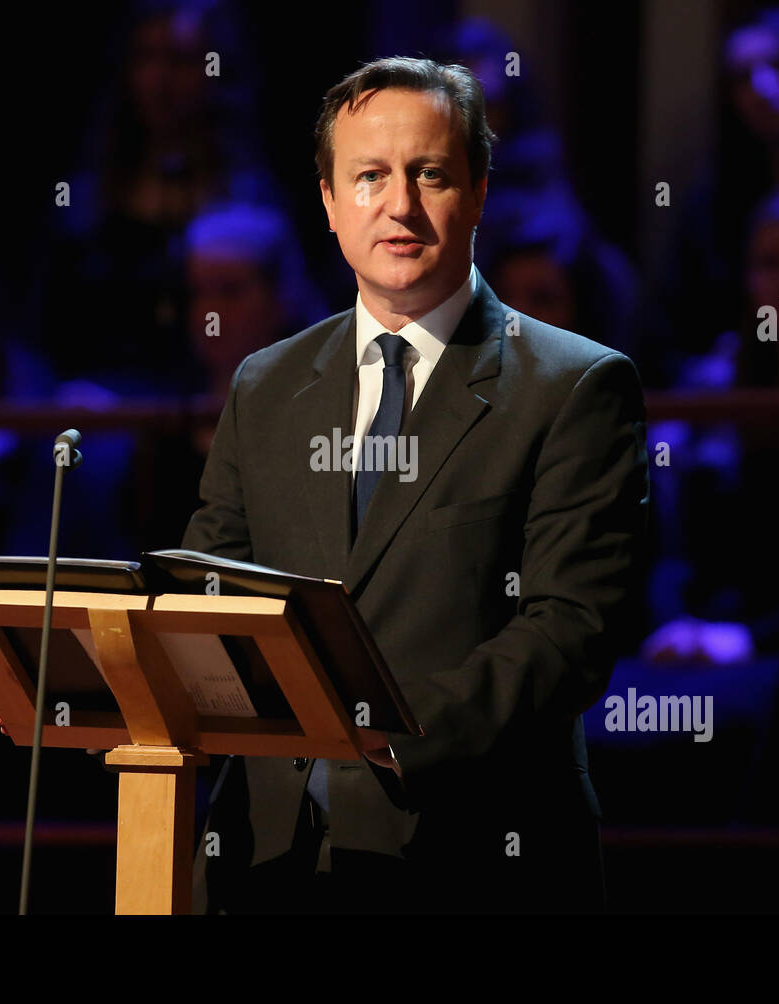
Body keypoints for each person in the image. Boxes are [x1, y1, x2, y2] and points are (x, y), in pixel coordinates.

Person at [179, 57, 649, 914]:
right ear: (327, 202)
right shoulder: (266, 384)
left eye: (428, 173)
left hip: (472, 854)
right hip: (270, 861)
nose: (398, 206)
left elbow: (570, 629)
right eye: (368, 177)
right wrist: (104, 676)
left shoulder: (575, 386)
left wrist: (381, 735)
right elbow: (210, 590)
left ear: (476, 191)